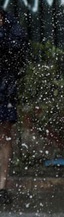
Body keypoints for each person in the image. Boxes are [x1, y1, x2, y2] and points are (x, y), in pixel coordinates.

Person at [0, 10, 28, 206]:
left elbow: (19, 48)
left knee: (4, 134)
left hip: (4, 86)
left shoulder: (11, 24)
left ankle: (2, 186)